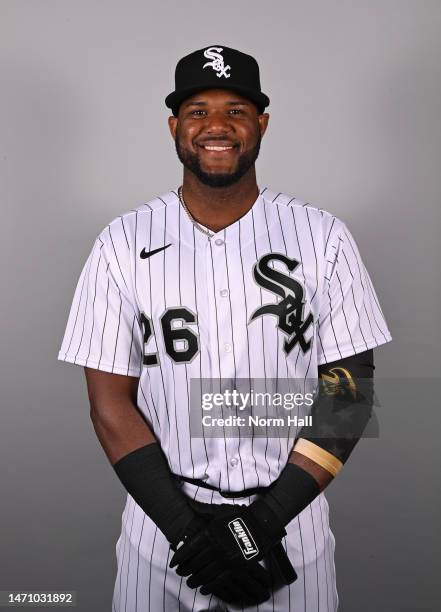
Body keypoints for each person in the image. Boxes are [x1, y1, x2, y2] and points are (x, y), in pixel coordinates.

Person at [57, 45, 392, 611]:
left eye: (236, 110)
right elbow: (109, 403)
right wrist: (189, 534)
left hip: (292, 526)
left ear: (261, 123)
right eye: (198, 111)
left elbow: (350, 394)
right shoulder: (121, 242)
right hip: (162, 536)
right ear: (174, 127)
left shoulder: (322, 237)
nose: (217, 126)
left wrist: (262, 523)